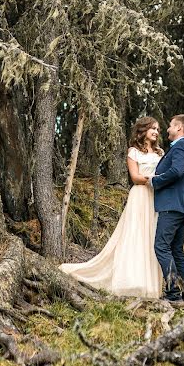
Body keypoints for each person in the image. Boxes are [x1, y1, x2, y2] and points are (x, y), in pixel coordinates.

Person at [59, 117, 163, 298]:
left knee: (151, 236)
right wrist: (155, 179)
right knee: (136, 235)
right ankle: (132, 281)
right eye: (152, 128)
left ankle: (150, 283)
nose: (156, 132)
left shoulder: (160, 153)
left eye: (158, 129)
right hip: (140, 196)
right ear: (143, 130)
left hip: (155, 198)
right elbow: (135, 177)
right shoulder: (133, 152)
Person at [150, 114, 184, 302]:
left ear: (179, 128)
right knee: (176, 250)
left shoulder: (181, 146)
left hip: (172, 205)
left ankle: (172, 293)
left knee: (161, 246)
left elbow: (177, 171)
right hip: (181, 206)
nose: (167, 129)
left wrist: (155, 181)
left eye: (170, 126)